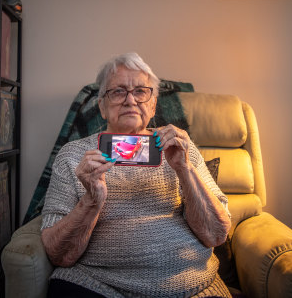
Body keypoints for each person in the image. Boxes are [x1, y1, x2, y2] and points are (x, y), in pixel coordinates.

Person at [41, 52, 232, 297]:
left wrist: (185, 171)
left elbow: (216, 234)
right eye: (117, 92)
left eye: (141, 91)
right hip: (97, 285)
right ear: (102, 106)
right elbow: (59, 254)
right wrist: (91, 200)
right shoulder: (73, 156)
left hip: (191, 286)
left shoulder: (181, 148)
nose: (130, 100)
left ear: (153, 105)